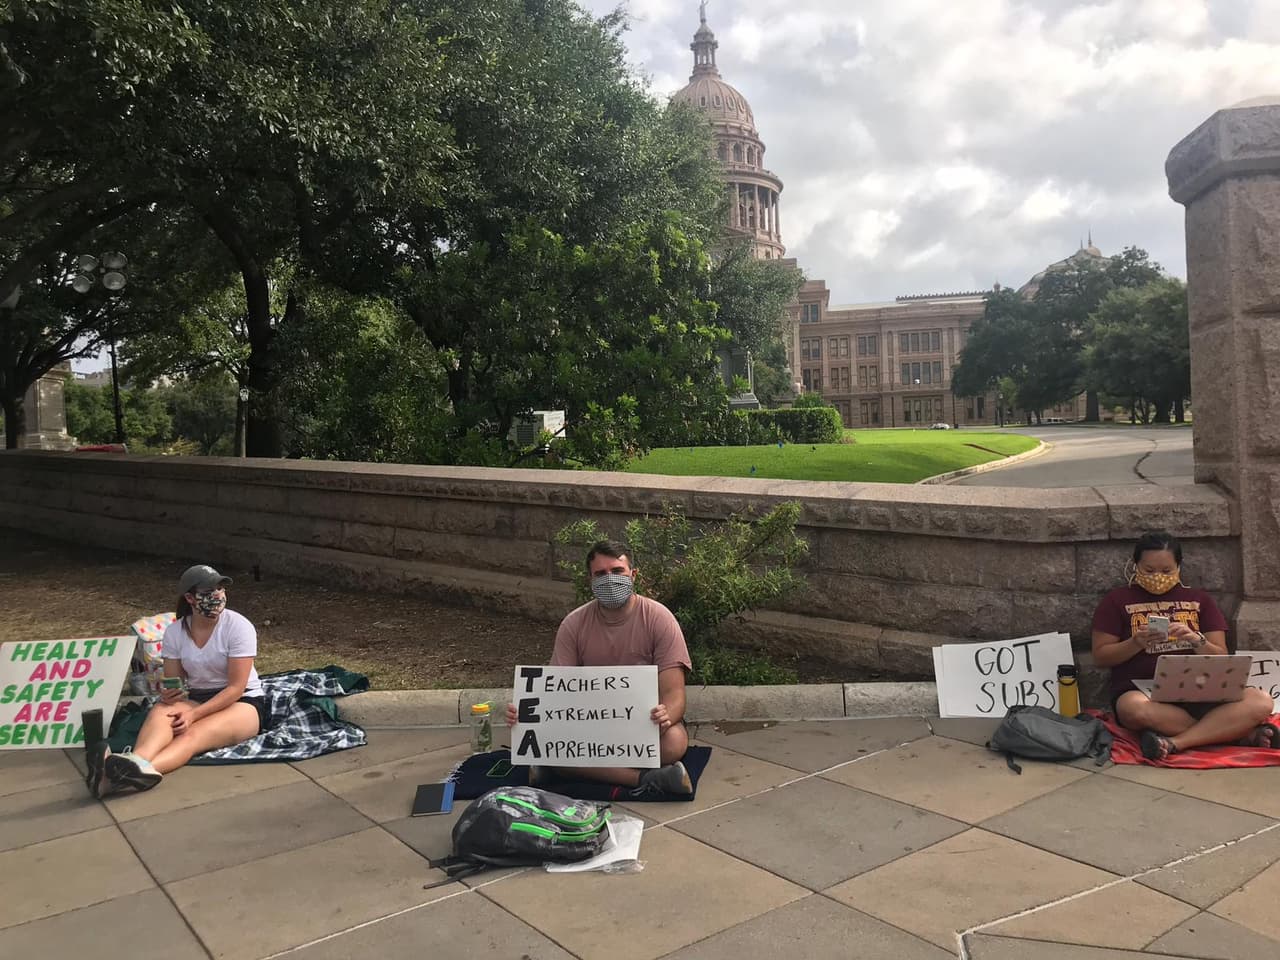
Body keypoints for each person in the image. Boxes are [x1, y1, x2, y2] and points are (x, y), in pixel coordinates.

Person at [506, 540, 694, 797]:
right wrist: (525, 713)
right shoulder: (573, 624)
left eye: (617, 571)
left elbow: (675, 693)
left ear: (633, 575)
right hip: (589, 729)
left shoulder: (659, 618)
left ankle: (562, 769)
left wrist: (666, 716)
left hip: (644, 726)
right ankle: (644, 778)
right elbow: (555, 690)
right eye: (601, 574)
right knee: (549, 743)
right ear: (590, 580)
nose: (610, 579)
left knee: (674, 742)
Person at [86, 564, 269, 798]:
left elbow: (236, 688)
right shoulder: (175, 632)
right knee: (163, 711)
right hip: (197, 696)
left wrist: (194, 715)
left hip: (243, 701)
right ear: (190, 598)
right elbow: (175, 683)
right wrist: (170, 694)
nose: (218, 595)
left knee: (192, 735)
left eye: (221, 588)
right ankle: (132, 763)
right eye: (209, 591)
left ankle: (129, 771)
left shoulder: (239, 627)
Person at [1092, 530, 1276, 760]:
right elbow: (1101, 656)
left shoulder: (1200, 600)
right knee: (1134, 710)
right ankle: (1237, 733)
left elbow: (1221, 655)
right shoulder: (1116, 601)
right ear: (1135, 565)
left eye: (1166, 570)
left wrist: (1195, 639)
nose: (1157, 576)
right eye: (1149, 570)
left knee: (1261, 701)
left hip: (1202, 691)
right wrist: (1135, 642)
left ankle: (1176, 742)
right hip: (1144, 693)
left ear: (1178, 567)